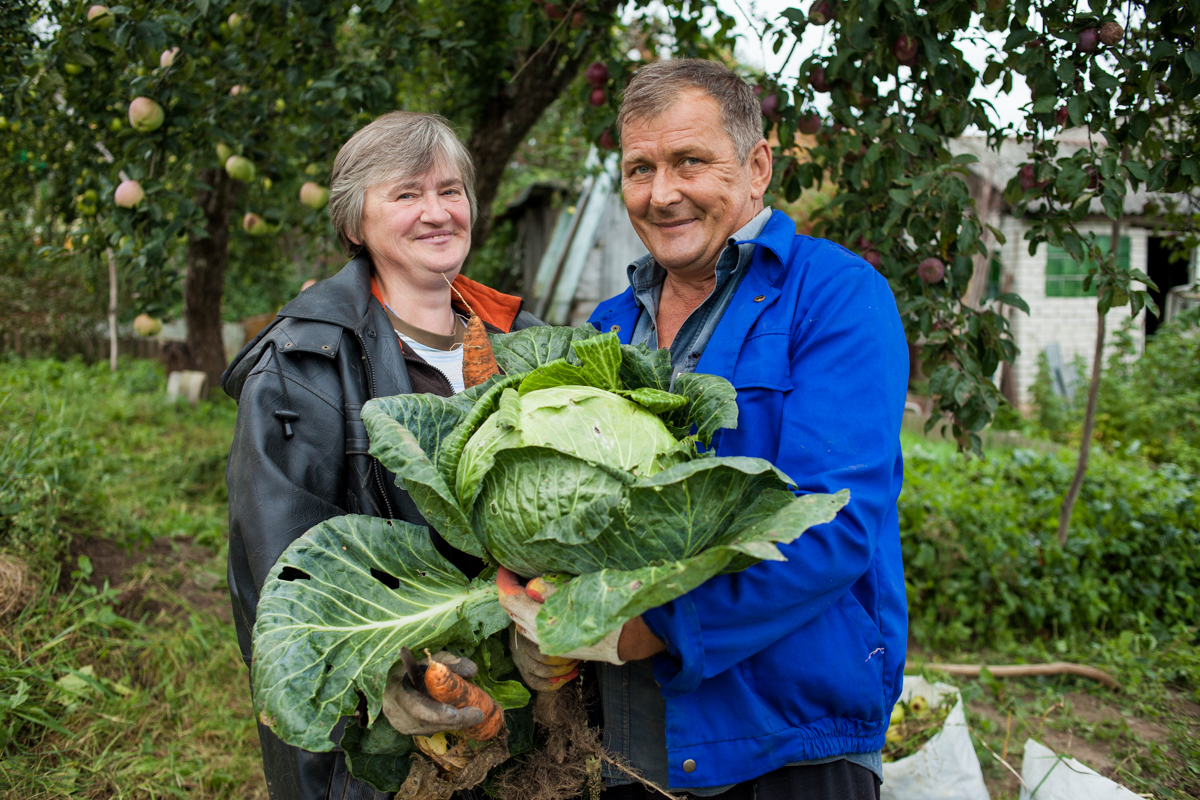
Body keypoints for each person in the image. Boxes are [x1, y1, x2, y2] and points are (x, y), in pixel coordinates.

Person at [499, 59, 909, 799]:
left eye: (690, 161)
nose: (662, 194)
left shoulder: (837, 298)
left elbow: (833, 526)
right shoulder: (608, 328)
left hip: (787, 743)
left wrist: (649, 629)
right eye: (640, 169)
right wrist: (536, 615)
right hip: (626, 744)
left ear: (757, 167)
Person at [222, 111, 541, 800]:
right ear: (353, 223)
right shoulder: (299, 366)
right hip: (386, 742)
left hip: (528, 719)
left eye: (450, 191)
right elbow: (286, 580)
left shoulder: (526, 341)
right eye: (406, 194)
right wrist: (398, 668)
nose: (437, 213)